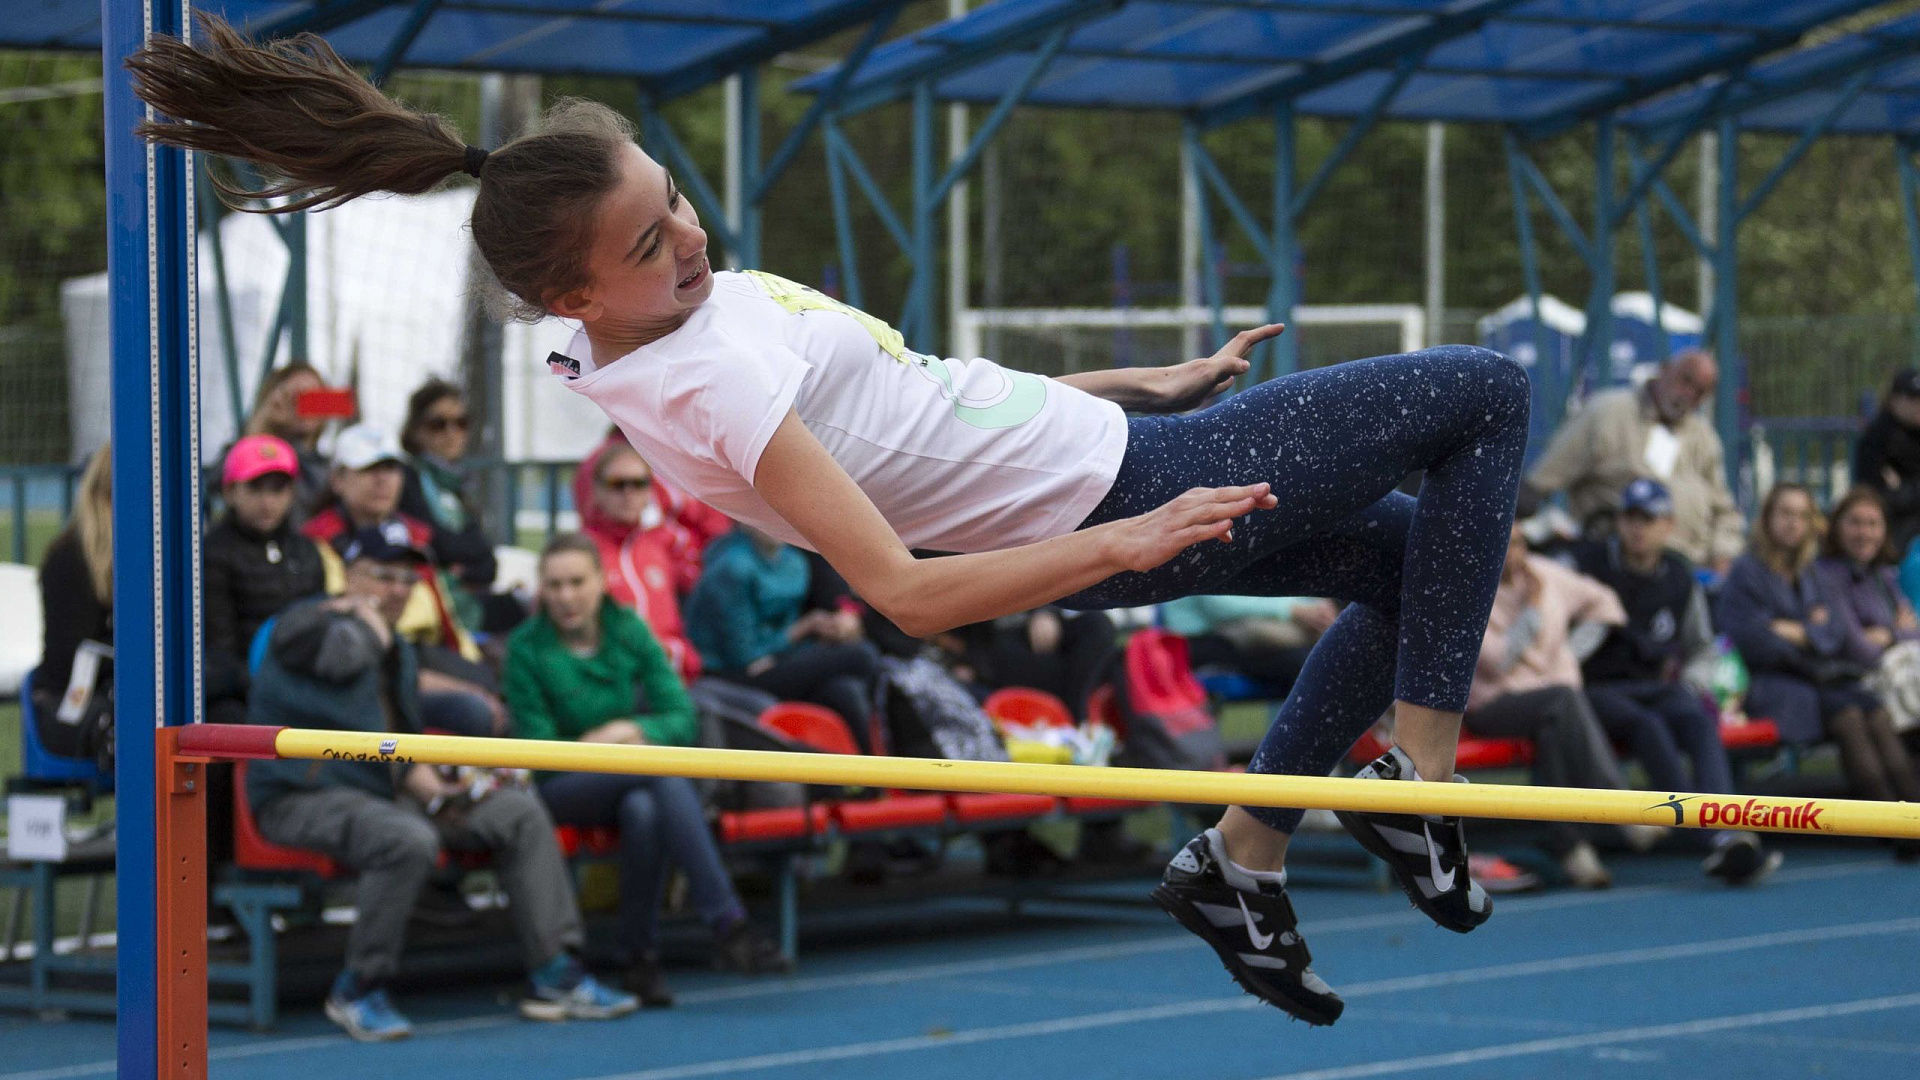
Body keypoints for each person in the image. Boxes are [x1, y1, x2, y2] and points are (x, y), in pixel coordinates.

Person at [132, 22, 1536, 1027]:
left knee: (1412, 562)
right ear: (575, 301)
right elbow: (907, 594)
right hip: (1116, 500)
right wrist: (1132, 535)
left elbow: (919, 407)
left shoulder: (661, 324)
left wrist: (1129, 383)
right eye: (648, 247)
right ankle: (1418, 788)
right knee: (1489, 393)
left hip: (1122, 450)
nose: (689, 240)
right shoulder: (702, 375)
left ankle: (1243, 860)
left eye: (673, 204)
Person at [244, 526, 635, 1039]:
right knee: (407, 839)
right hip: (301, 795)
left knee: (516, 809)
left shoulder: (399, 648)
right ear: (348, 575)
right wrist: (368, 622)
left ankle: (556, 972)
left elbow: (398, 742)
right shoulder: (305, 621)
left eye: (407, 580)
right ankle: (359, 987)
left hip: (381, 795)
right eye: (383, 576)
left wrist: (439, 785)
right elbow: (339, 655)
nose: (398, 590)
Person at [503, 534, 791, 1004]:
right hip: (561, 784)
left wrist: (629, 731)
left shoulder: (628, 629)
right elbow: (537, 750)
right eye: (554, 585)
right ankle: (724, 919)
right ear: (541, 591)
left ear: (600, 582)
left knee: (645, 809)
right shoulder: (525, 648)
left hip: (628, 775)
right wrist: (599, 746)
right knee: (657, 774)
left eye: (577, 582)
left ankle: (639, 957)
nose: (566, 596)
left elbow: (681, 714)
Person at [1571, 479, 1780, 885]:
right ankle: (1713, 837)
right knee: (1646, 724)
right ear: (1618, 521)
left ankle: (1725, 829)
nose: (1638, 528)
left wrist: (1693, 682)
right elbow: (1558, 626)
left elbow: (1702, 647)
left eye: (1649, 519)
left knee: (1697, 719)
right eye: (1631, 517)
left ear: (1667, 525)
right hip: (1594, 687)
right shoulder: (1590, 567)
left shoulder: (1679, 577)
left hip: (1655, 685)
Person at [1465, 522, 1646, 889]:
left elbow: (1606, 603)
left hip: (1548, 706)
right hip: (1492, 706)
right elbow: (1497, 661)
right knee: (1564, 698)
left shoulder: (1548, 574)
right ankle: (1619, 804)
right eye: (1502, 544)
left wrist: (1571, 650)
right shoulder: (1467, 589)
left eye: (1518, 544)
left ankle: (1571, 850)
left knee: (1553, 726)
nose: (1511, 553)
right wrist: (1531, 611)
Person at [305, 423, 504, 738]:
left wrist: (473, 664)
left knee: (504, 683)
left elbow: (447, 617)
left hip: (424, 653)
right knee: (475, 710)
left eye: (391, 468)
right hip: (369, 660)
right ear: (338, 480)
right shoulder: (315, 543)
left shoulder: (415, 535)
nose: (383, 480)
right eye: (368, 469)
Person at [1522, 349, 1744, 574]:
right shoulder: (1607, 412)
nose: (1687, 393)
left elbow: (1724, 511)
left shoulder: (1703, 437)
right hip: (1615, 565)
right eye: (1685, 379)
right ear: (1664, 370)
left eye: (1699, 391)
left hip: (1688, 569)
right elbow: (1542, 480)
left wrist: (1723, 555)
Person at [685, 525, 883, 751]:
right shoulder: (732, 567)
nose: (775, 521)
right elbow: (743, 655)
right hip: (733, 672)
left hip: (776, 659)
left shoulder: (794, 561)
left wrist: (821, 628)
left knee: (844, 690)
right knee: (862, 655)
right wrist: (803, 629)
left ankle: (866, 781)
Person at [1807, 487, 1920, 827]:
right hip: (1840, 680)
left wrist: (1888, 635)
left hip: (1883, 682)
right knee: (1867, 719)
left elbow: (1912, 632)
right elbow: (1855, 648)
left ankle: (1907, 822)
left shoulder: (1885, 575)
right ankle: (1896, 826)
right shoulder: (1825, 575)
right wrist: (1892, 634)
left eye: (1873, 523)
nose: (1864, 532)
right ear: (1837, 527)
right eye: (1855, 522)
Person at [204, 435, 327, 728]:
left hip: (303, 684)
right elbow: (219, 649)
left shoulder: (307, 550)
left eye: (278, 489)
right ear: (230, 491)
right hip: (238, 692)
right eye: (255, 488)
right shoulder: (211, 553)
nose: (267, 501)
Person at [577, 440, 703, 679]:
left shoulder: (664, 543)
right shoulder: (582, 550)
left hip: (674, 674)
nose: (628, 493)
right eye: (617, 484)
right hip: (617, 680)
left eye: (639, 484)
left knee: (757, 707)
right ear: (597, 491)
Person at [397, 378, 514, 632]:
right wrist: (464, 556)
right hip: (430, 599)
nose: (452, 433)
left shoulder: (457, 484)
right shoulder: (407, 478)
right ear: (416, 430)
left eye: (461, 423)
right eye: (438, 424)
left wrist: (464, 565)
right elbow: (438, 544)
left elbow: (487, 562)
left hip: (463, 594)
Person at [33, 445, 114, 759]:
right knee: (132, 730)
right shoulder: (70, 558)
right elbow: (70, 656)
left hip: (123, 696)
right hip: (71, 702)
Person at [1160, 594, 1339, 697]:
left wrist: (1314, 609)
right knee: (1308, 665)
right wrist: (1294, 609)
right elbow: (1223, 607)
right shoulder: (1197, 546)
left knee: (1318, 659)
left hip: (1234, 637)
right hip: (1199, 644)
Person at [242, 363, 334, 513]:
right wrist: (263, 423)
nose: (305, 405)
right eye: (295, 397)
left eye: (315, 397)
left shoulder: (328, 469)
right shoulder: (243, 449)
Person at [1851, 368, 1920, 556]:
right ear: (1894, 400)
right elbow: (1874, 494)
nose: (1918, 405)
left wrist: (1903, 488)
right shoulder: (1878, 438)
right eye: (1912, 399)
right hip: (1896, 528)